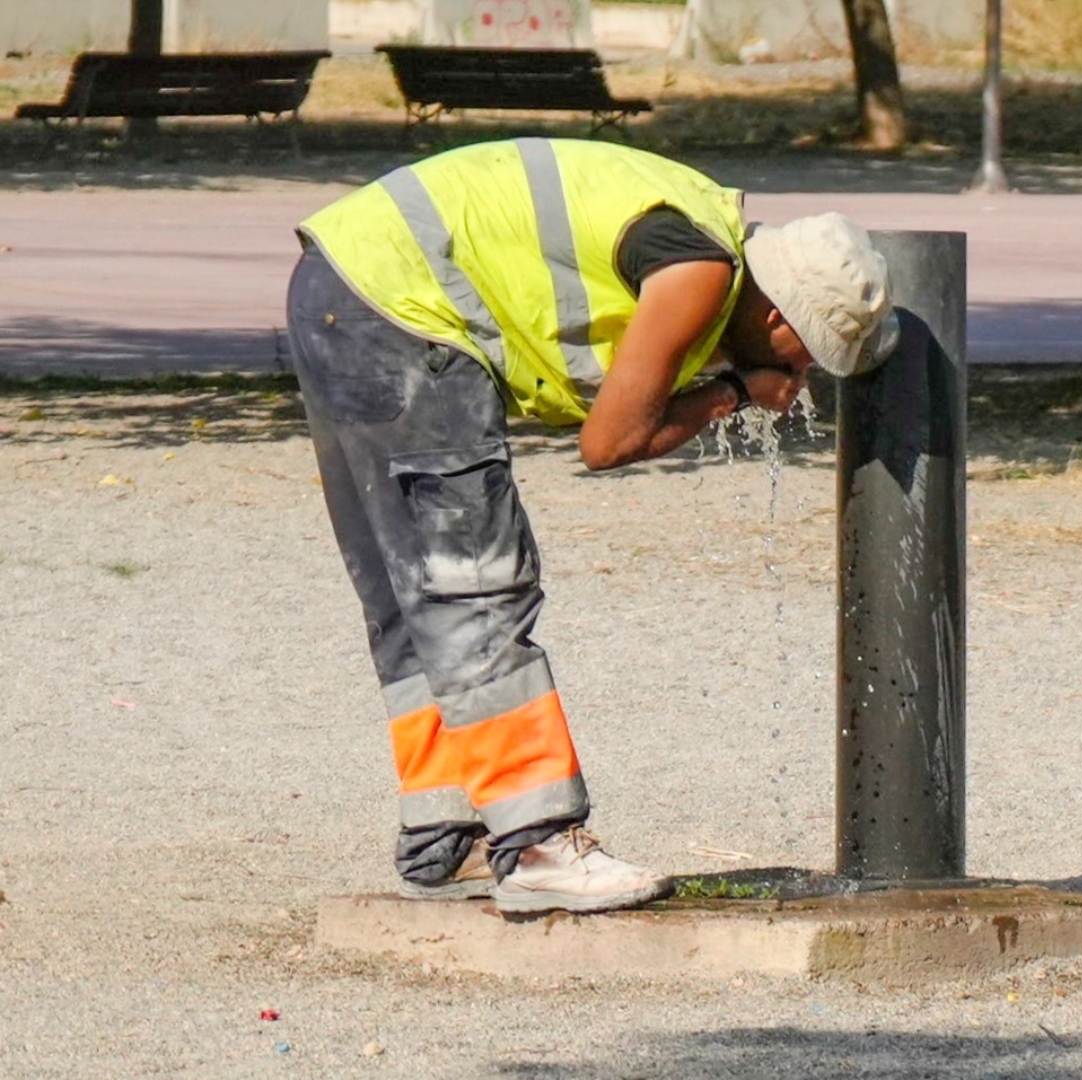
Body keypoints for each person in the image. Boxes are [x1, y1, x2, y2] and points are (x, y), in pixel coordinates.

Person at [286, 137, 894, 914]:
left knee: (413, 592)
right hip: (399, 308)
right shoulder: (699, 272)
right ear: (775, 312)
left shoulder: (698, 234)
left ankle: (442, 837)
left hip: (345, 285)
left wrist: (735, 378)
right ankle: (539, 845)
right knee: (472, 583)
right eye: (806, 351)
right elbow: (610, 443)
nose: (805, 373)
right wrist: (735, 391)